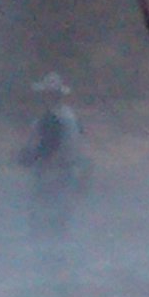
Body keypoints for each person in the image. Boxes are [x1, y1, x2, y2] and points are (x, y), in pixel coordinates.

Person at [17, 72, 91, 235]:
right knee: (61, 218)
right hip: (69, 174)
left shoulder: (51, 119)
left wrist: (25, 158)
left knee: (42, 220)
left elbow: (46, 148)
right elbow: (80, 146)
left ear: (47, 96)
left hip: (51, 174)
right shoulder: (71, 117)